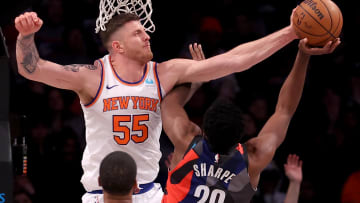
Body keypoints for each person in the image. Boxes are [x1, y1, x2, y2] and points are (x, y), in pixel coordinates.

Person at [13, 8, 333, 202]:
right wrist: (26, 37)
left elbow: (235, 60)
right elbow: (33, 69)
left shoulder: (166, 73)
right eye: (139, 33)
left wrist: (291, 33)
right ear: (118, 46)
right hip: (102, 195)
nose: (147, 36)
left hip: (150, 194)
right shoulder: (91, 77)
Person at [160, 38, 339, 202]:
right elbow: (285, 110)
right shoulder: (253, 158)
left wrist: (197, 77)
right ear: (241, 137)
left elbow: (168, 103)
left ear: (203, 130)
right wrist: (303, 55)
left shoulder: (186, 140)